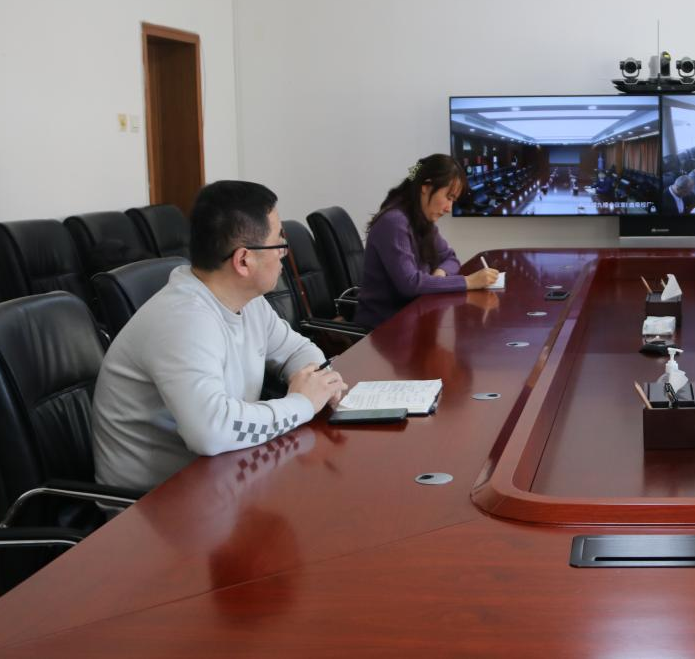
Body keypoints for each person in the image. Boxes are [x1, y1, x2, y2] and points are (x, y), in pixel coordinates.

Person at [92, 180, 348, 492]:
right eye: (278, 239)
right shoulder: (183, 320)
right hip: (153, 503)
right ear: (244, 260)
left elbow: (296, 349)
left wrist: (316, 381)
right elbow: (211, 432)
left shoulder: (248, 302)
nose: (284, 250)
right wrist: (303, 403)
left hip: (224, 475)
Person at [356, 154, 500, 330]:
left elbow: (450, 257)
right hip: (384, 328)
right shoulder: (394, 222)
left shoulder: (421, 220)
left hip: (412, 317)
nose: (449, 208)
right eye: (448, 197)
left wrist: (440, 274)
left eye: (453, 200)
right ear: (426, 186)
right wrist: (468, 282)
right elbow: (410, 284)